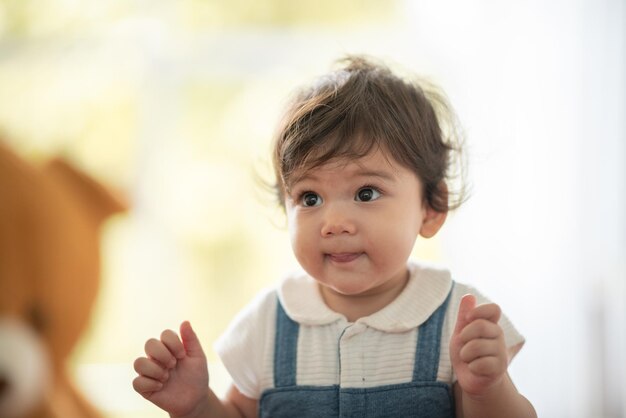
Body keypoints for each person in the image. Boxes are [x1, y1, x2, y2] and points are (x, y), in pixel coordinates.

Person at [132, 55, 537, 418]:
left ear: (431, 207)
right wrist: (197, 405)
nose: (334, 222)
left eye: (366, 193)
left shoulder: (458, 317)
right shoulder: (269, 323)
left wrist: (488, 388)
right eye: (310, 197)